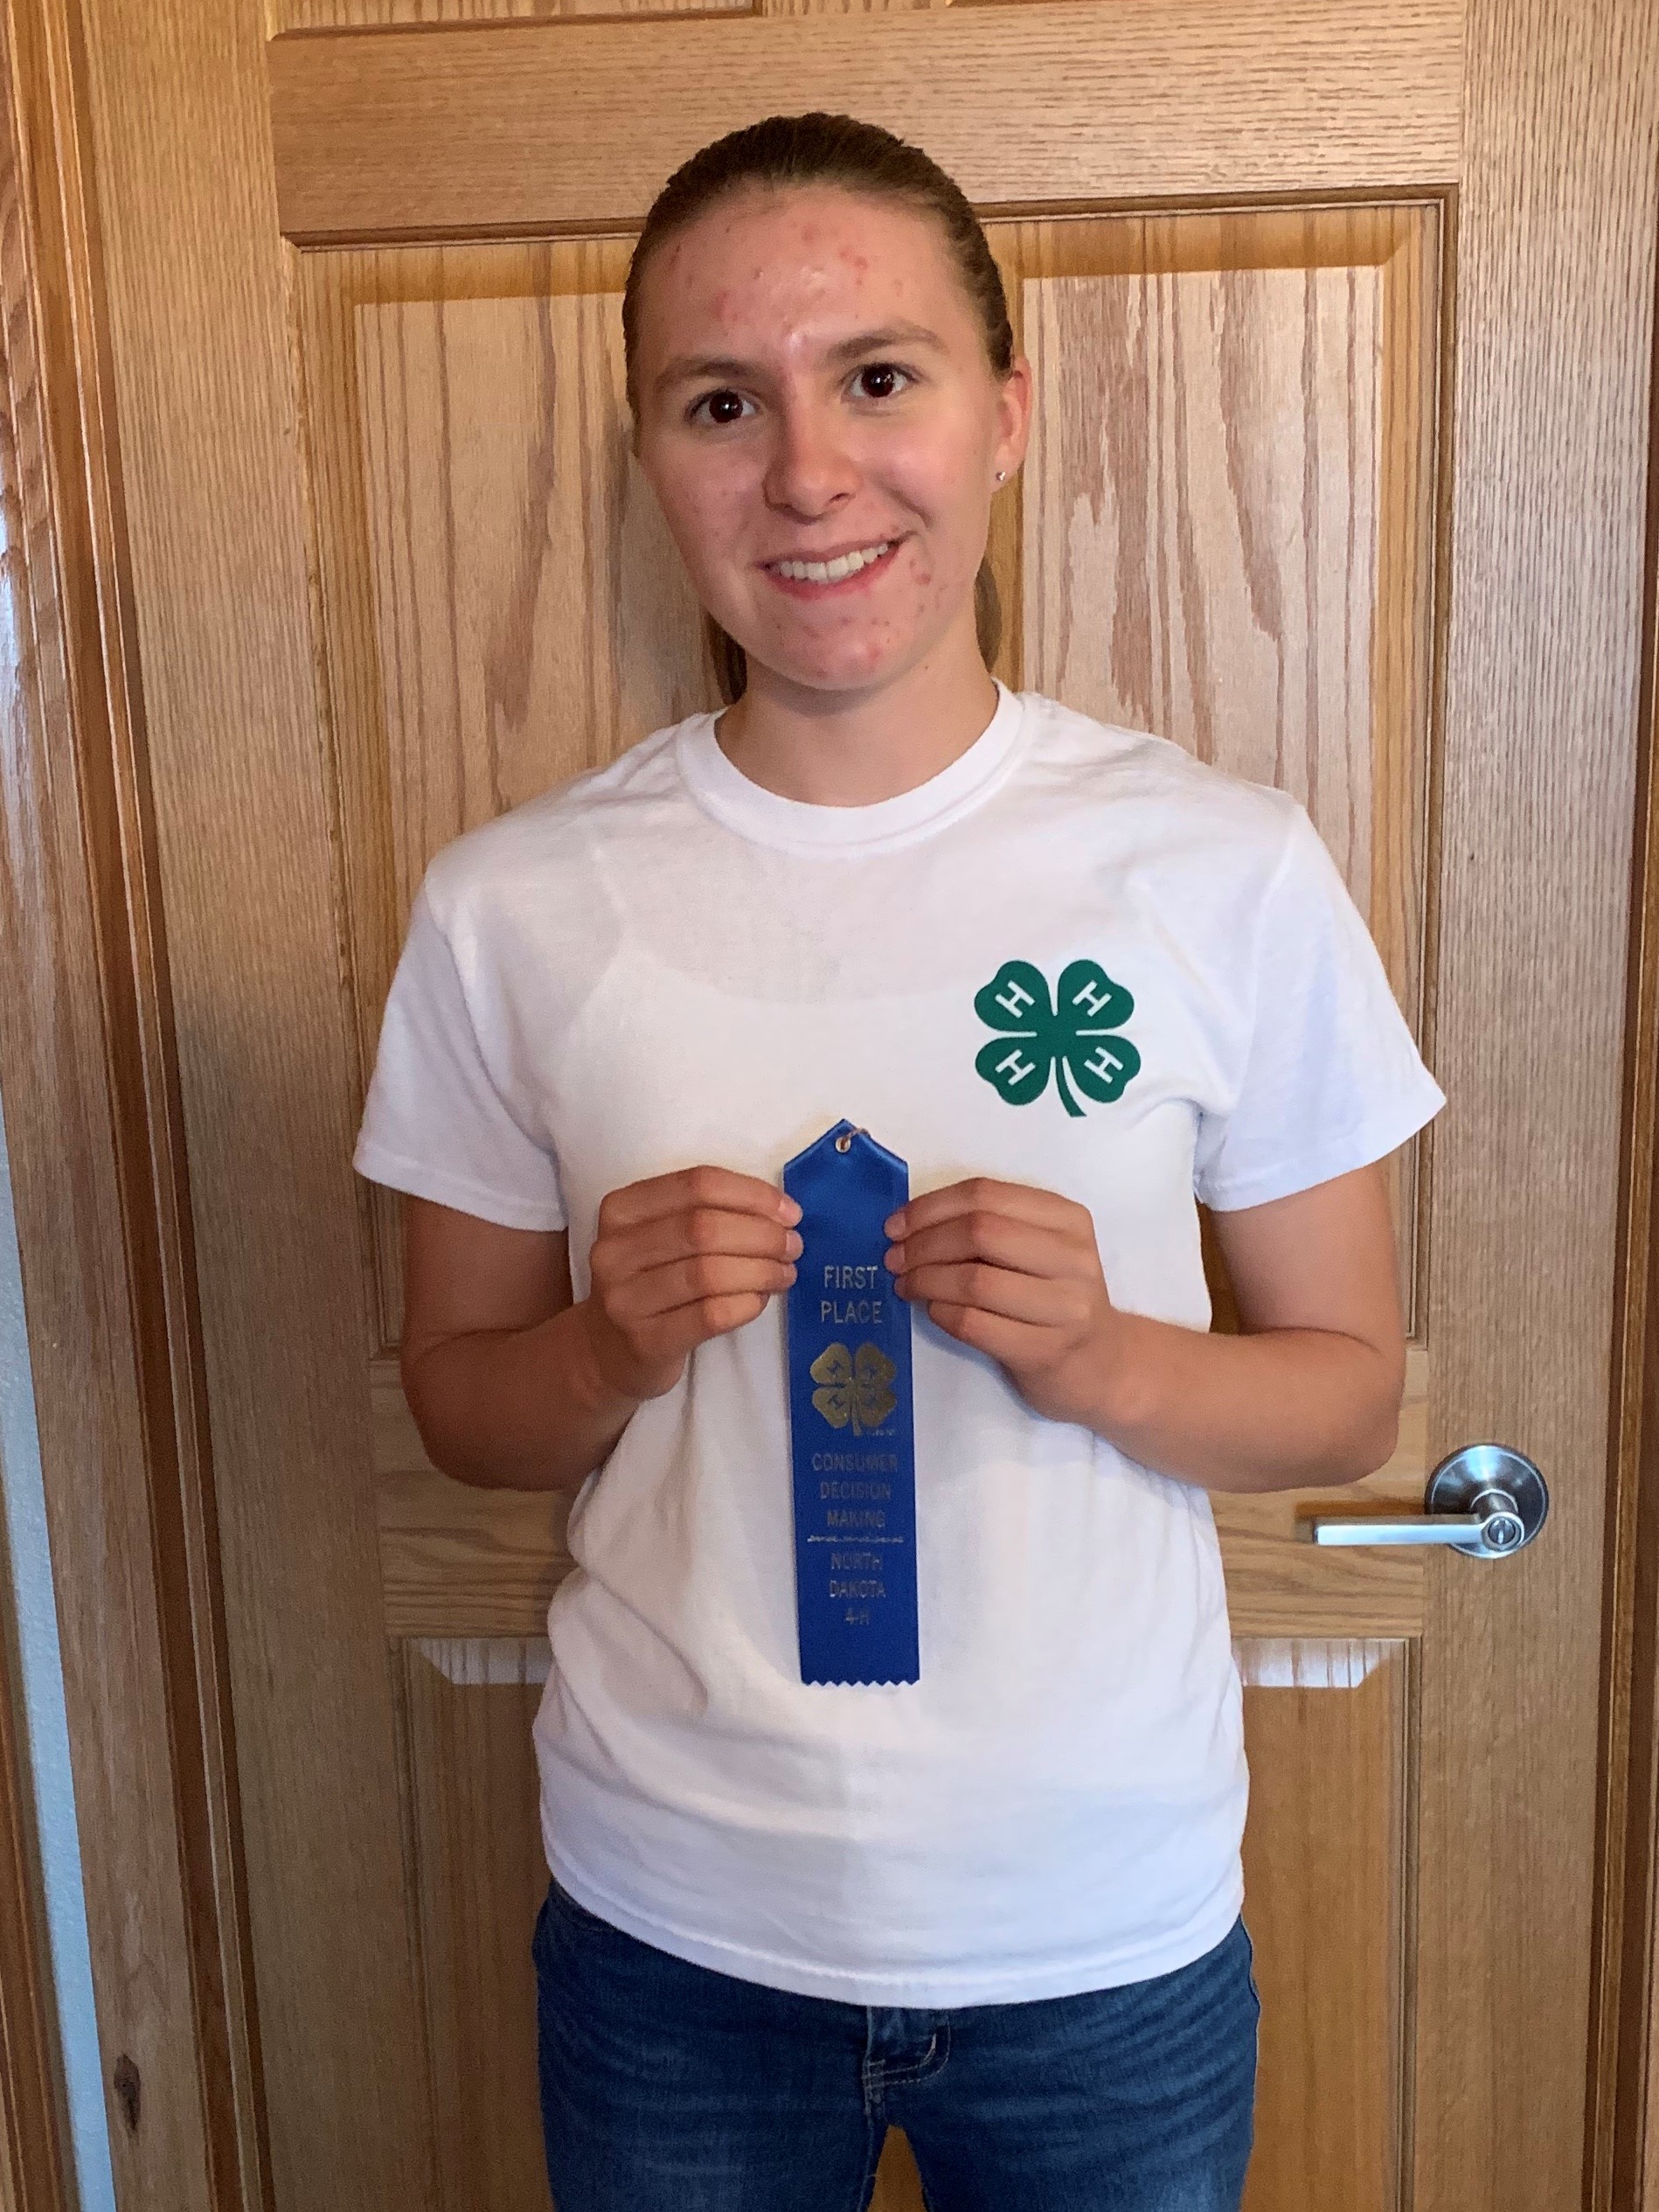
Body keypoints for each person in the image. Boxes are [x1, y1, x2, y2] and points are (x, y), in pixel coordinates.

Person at [353, 110, 1445, 2212]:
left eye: (879, 376)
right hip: (671, 1926)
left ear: (1004, 412)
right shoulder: (512, 907)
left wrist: (1106, 1352)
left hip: (1103, 1933)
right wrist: (606, 1342)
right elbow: (464, 1406)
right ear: (652, 456)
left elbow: (1345, 1385)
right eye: (719, 401)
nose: (809, 471)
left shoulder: (1219, 870)